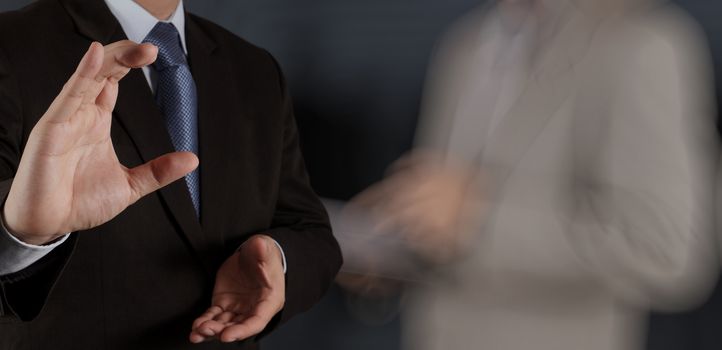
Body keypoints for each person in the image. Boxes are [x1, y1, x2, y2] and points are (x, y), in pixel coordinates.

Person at [349, 0, 719, 349]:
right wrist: (394, 242)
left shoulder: (638, 42)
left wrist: (478, 217)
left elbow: (667, 247)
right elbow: (446, 218)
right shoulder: (463, 43)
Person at [0, 0, 342, 349]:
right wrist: (22, 236)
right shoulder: (11, 47)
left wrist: (276, 259)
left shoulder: (254, 68)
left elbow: (310, 232)